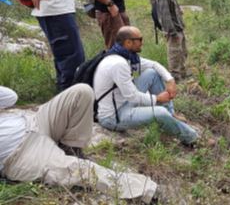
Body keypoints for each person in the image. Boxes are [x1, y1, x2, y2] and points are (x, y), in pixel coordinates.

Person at [0, 84, 157, 203]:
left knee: (82, 91)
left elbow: (11, 97)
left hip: (34, 121)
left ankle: (71, 148)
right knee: (82, 170)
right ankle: (147, 190)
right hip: (21, 153)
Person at [93, 26, 198, 146]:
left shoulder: (124, 56)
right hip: (114, 116)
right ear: (128, 42)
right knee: (160, 113)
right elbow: (132, 96)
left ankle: (171, 115)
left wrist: (170, 80)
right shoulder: (118, 64)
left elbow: (153, 65)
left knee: (152, 73)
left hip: (123, 101)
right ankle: (193, 138)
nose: (142, 43)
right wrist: (157, 99)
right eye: (140, 39)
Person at [155, 0, 190, 81]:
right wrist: (172, 32)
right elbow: (165, 16)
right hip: (173, 30)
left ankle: (183, 73)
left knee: (183, 52)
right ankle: (175, 77)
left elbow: (174, 9)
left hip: (179, 27)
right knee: (174, 54)